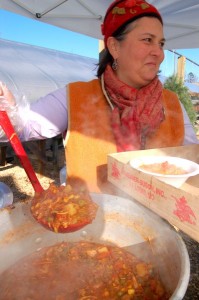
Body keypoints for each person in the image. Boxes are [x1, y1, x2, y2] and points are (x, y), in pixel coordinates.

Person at [0, 0, 198, 193]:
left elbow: (191, 160)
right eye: (147, 40)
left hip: (155, 222)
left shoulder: (172, 102)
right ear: (114, 47)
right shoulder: (77, 96)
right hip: (92, 220)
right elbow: (23, 126)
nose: (159, 53)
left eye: (161, 43)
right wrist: (8, 108)